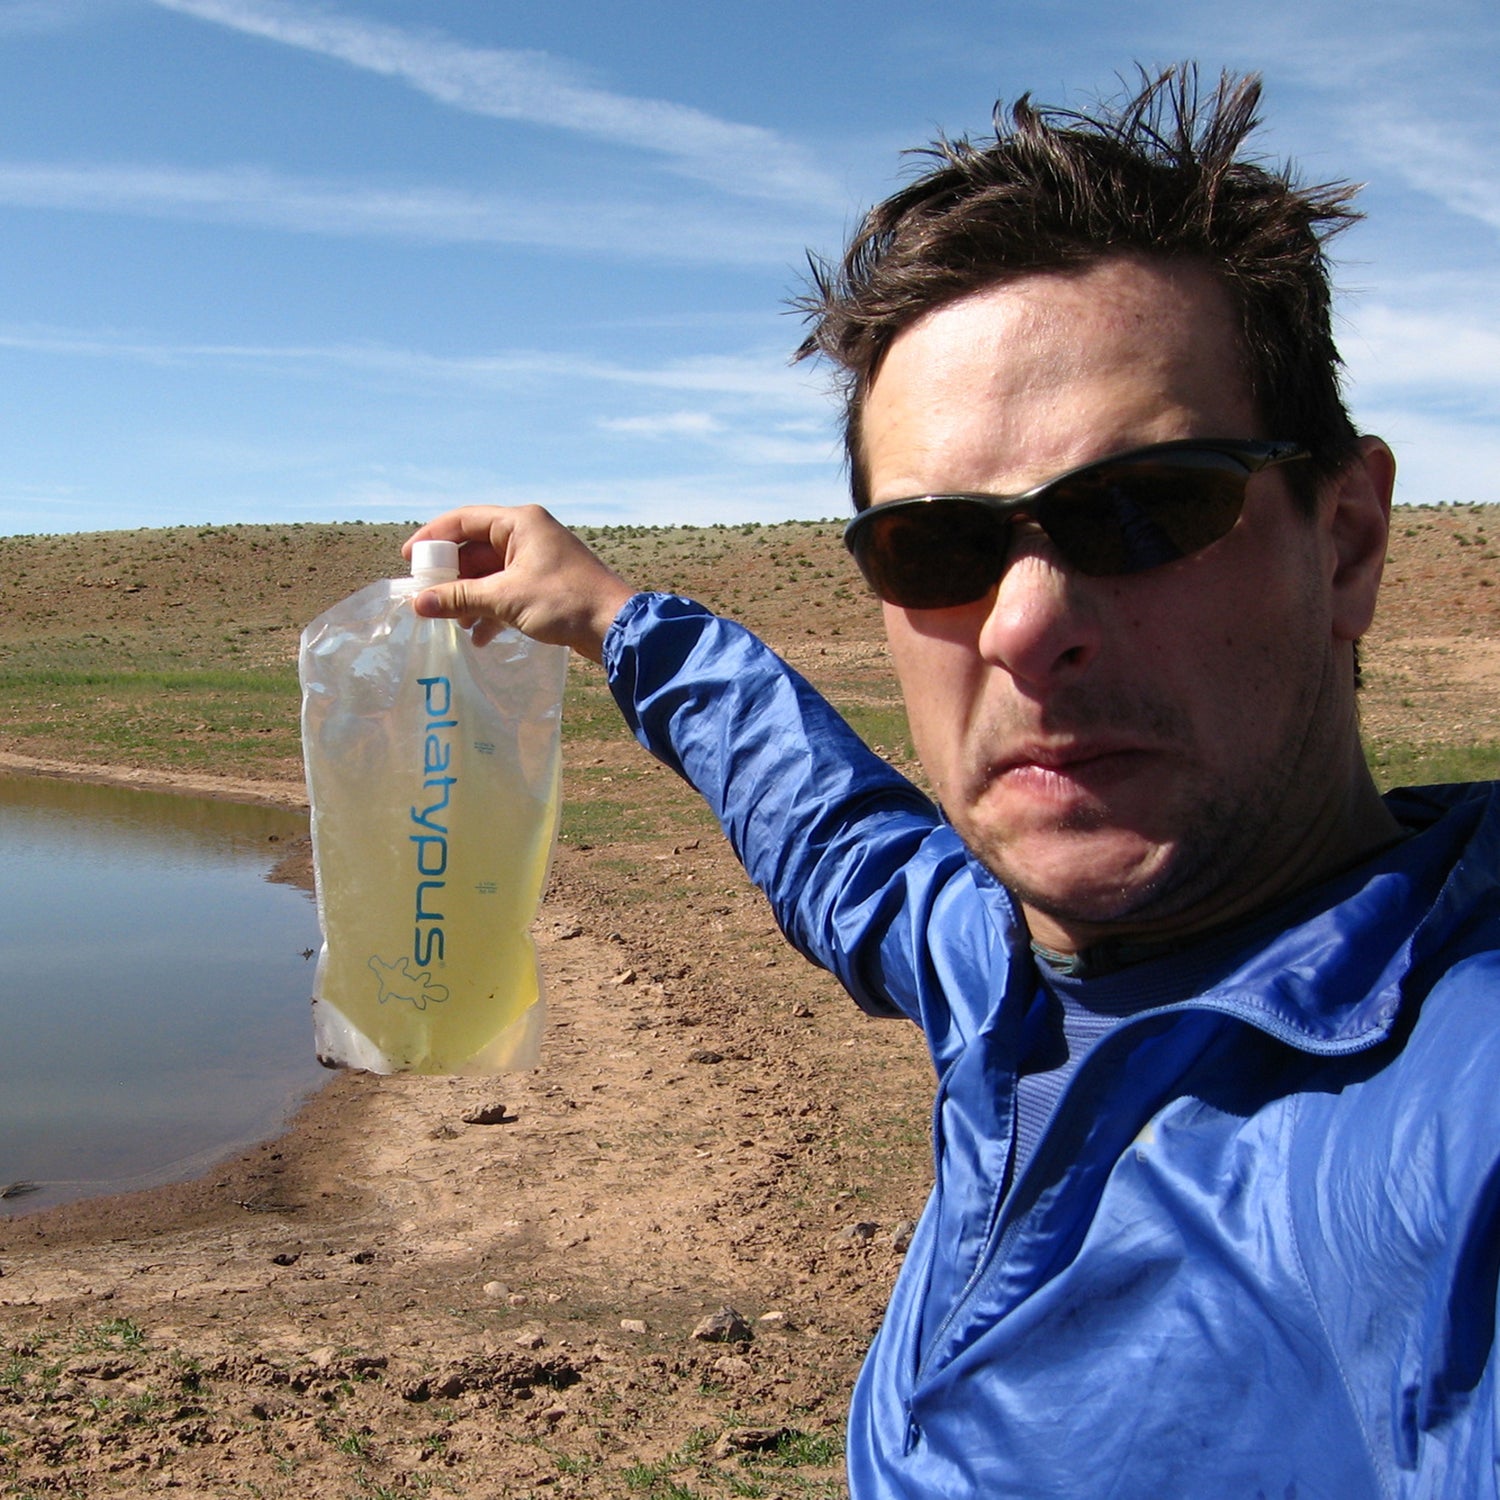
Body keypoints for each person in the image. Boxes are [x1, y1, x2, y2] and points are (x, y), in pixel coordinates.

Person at [405, 67, 1500, 1499]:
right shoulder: (1007, 963)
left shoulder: (1453, 1126)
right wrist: (617, 620)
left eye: (1144, 509)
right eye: (937, 550)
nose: (1023, 624)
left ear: (1346, 542)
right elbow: (846, 847)